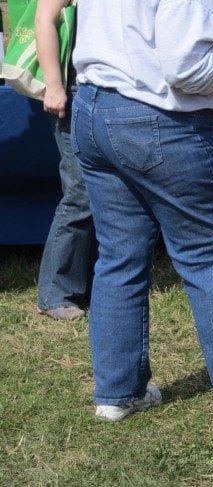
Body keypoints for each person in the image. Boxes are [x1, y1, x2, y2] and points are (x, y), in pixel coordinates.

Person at [71, 0, 213, 426]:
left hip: (94, 108)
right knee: (209, 259)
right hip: (160, 120)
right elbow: (187, 68)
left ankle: (119, 393)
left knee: (120, 256)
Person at [35, 0, 96, 321]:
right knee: (80, 193)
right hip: (74, 90)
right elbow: (45, 18)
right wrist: (54, 85)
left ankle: (100, 283)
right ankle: (56, 292)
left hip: (111, 90)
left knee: (107, 190)